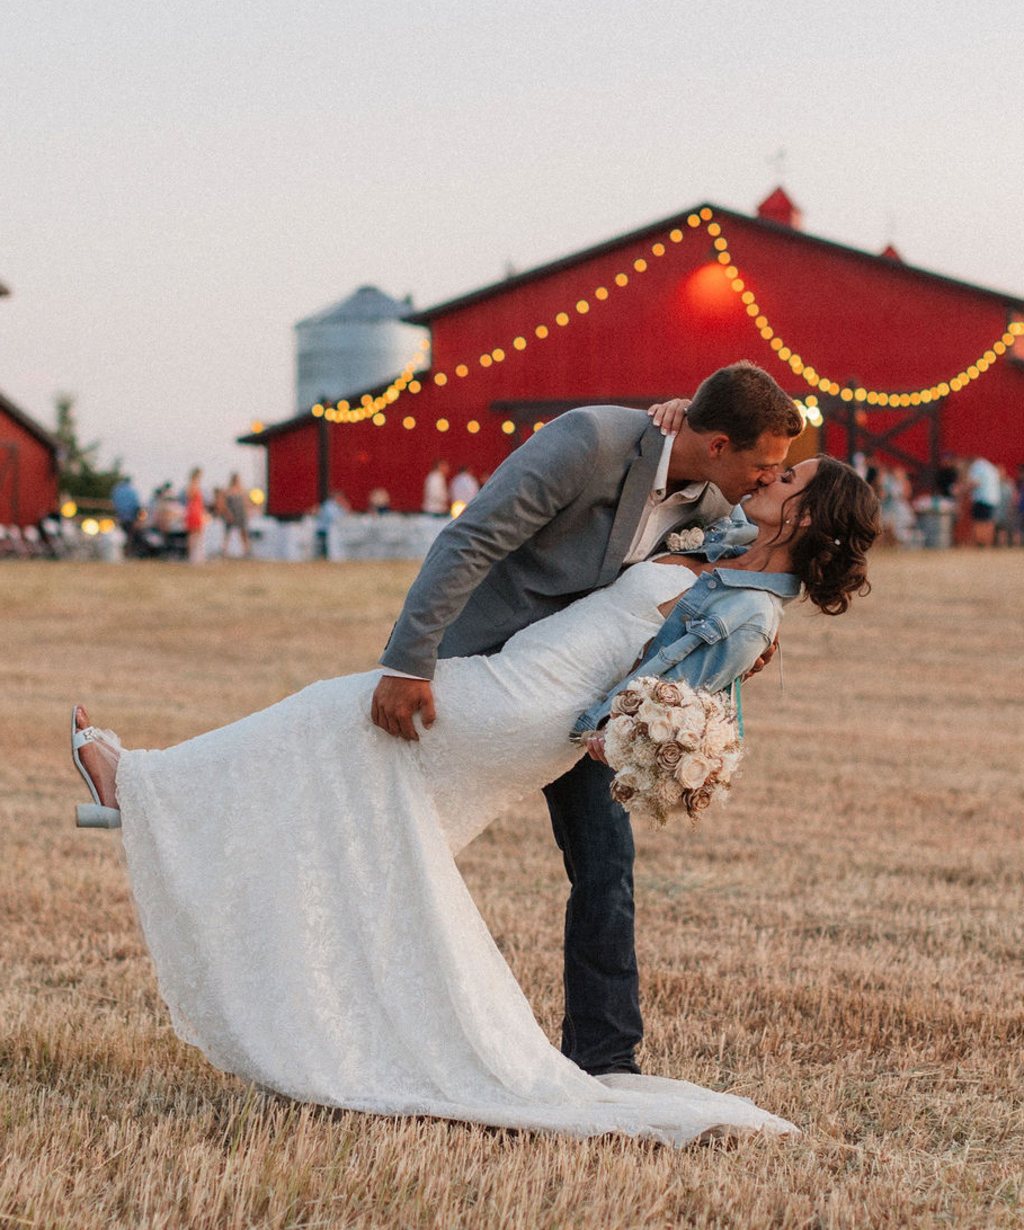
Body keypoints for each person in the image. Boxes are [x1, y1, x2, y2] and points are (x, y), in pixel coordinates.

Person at [70, 453, 878, 1146]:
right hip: (524, 674)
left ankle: (137, 785)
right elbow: (696, 473)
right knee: (348, 789)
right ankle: (154, 799)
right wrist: (669, 420)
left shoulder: (747, 613)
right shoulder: (732, 542)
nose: (776, 472)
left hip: (523, 703)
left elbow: (656, 703)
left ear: (808, 515)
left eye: (793, 475)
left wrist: (608, 730)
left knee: (331, 716)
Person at [375, 362, 803, 1077]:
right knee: (407, 840)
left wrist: (754, 630)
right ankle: (390, 1023)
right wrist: (408, 661)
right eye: (763, 466)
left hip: (586, 703)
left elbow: (744, 569)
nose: (765, 482)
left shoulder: (713, 500)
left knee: (606, 866)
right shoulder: (592, 441)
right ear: (720, 444)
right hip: (483, 676)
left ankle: (605, 1055)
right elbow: (469, 538)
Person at [965, 454, 1000, 547]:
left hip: (982, 498)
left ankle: (980, 543)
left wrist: (964, 490)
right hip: (992, 498)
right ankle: (988, 543)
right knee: (989, 521)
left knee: (979, 521)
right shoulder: (990, 467)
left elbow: (975, 482)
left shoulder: (977, 466)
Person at [223, 473, 252, 558]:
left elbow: (246, 502)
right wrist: (228, 513)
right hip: (231, 514)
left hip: (241, 513)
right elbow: (225, 504)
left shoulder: (242, 489)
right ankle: (225, 550)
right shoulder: (228, 490)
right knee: (227, 532)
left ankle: (246, 550)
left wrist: (247, 513)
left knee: (243, 532)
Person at [183, 469, 207, 565]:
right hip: (195, 511)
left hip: (196, 510)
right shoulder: (193, 486)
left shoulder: (193, 486)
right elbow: (190, 496)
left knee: (196, 534)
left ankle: (196, 556)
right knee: (194, 534)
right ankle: (194, 556)